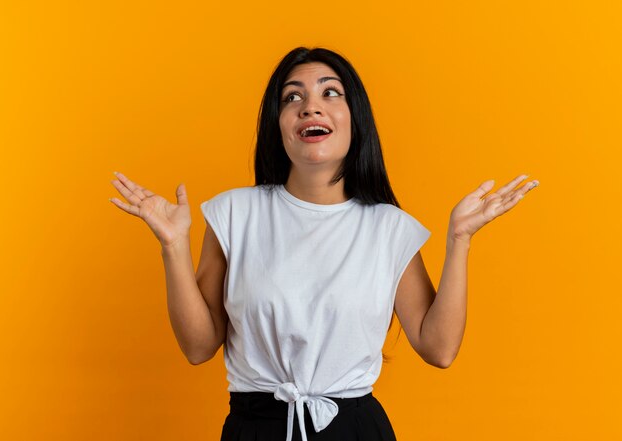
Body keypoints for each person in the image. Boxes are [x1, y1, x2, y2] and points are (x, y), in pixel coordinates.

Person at [109, 47, 539, 441]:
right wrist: (173, 247)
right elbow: (199, 347)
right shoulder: (234, 214)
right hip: (255, 428)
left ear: (356, 119)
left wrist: (459, 240)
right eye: (291, 98)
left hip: (353, 430)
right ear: (278, 127)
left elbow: (439, 348)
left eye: (330, 93)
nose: (309, 105)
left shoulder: (388, 227)